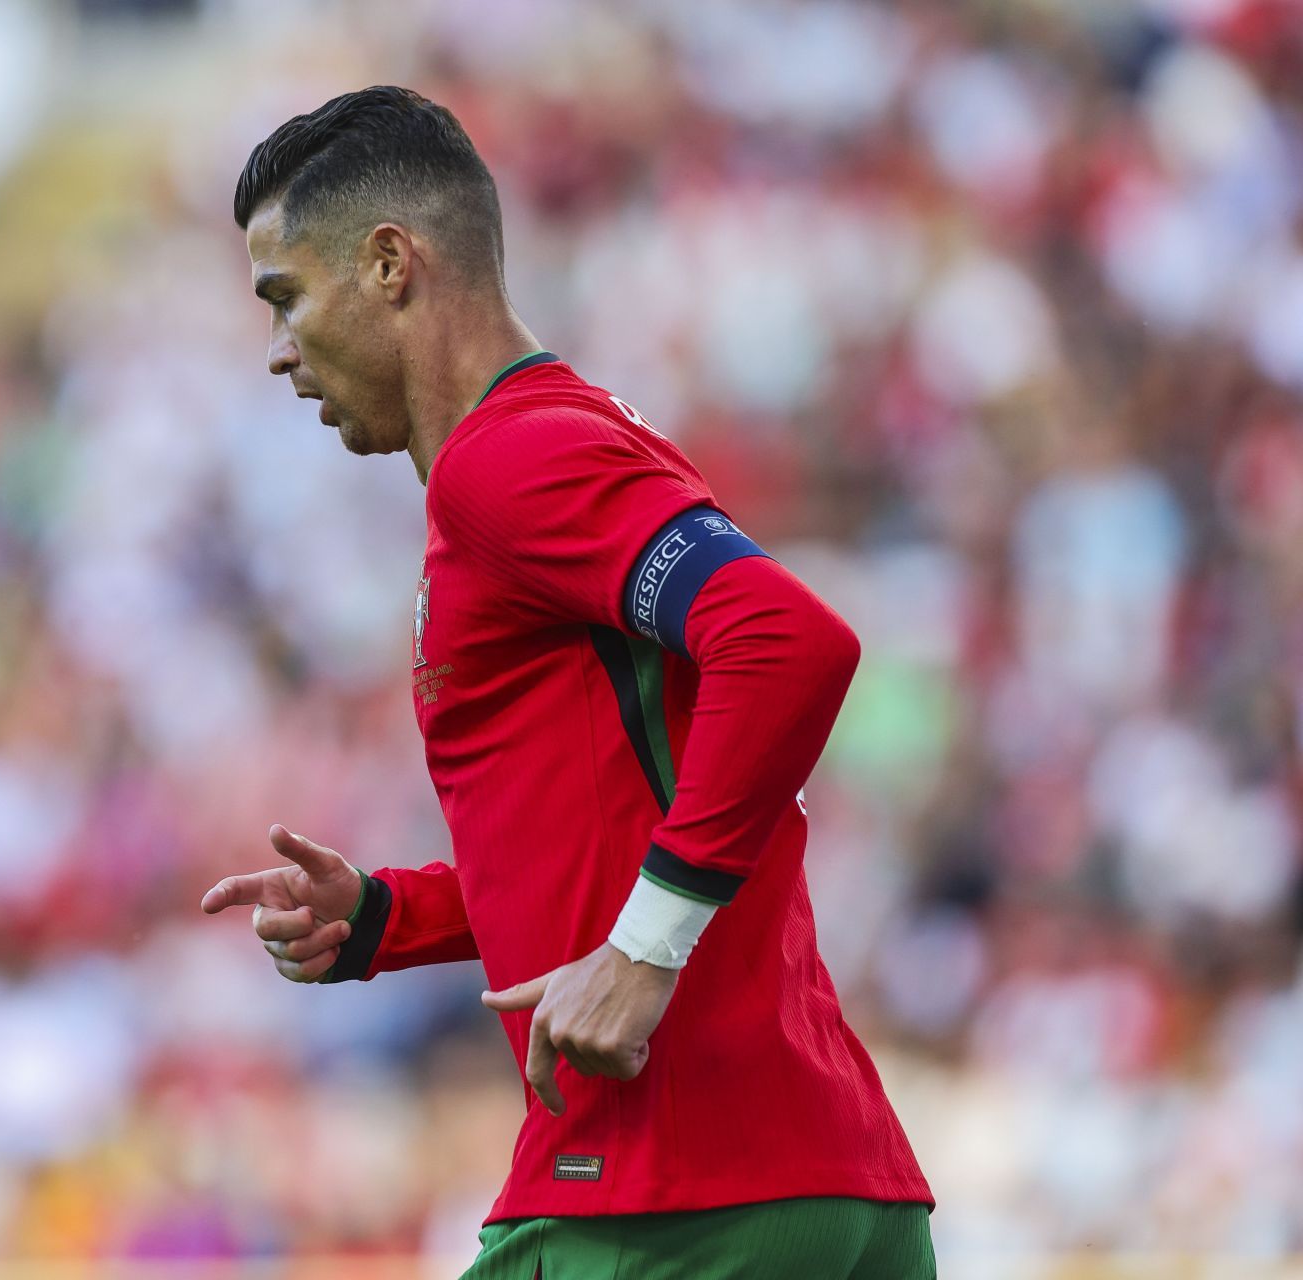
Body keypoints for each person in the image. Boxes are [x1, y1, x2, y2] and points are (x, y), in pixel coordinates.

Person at [200, 86, 935, 1279]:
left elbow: (790, 640)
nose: (280, 350)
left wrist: (643, 952)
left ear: (390, 264)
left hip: (666, 1193)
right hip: (820, 1180)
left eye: (286, 298)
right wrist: (392, 919)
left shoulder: (510, 459)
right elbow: (610, 808)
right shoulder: (567, 436)